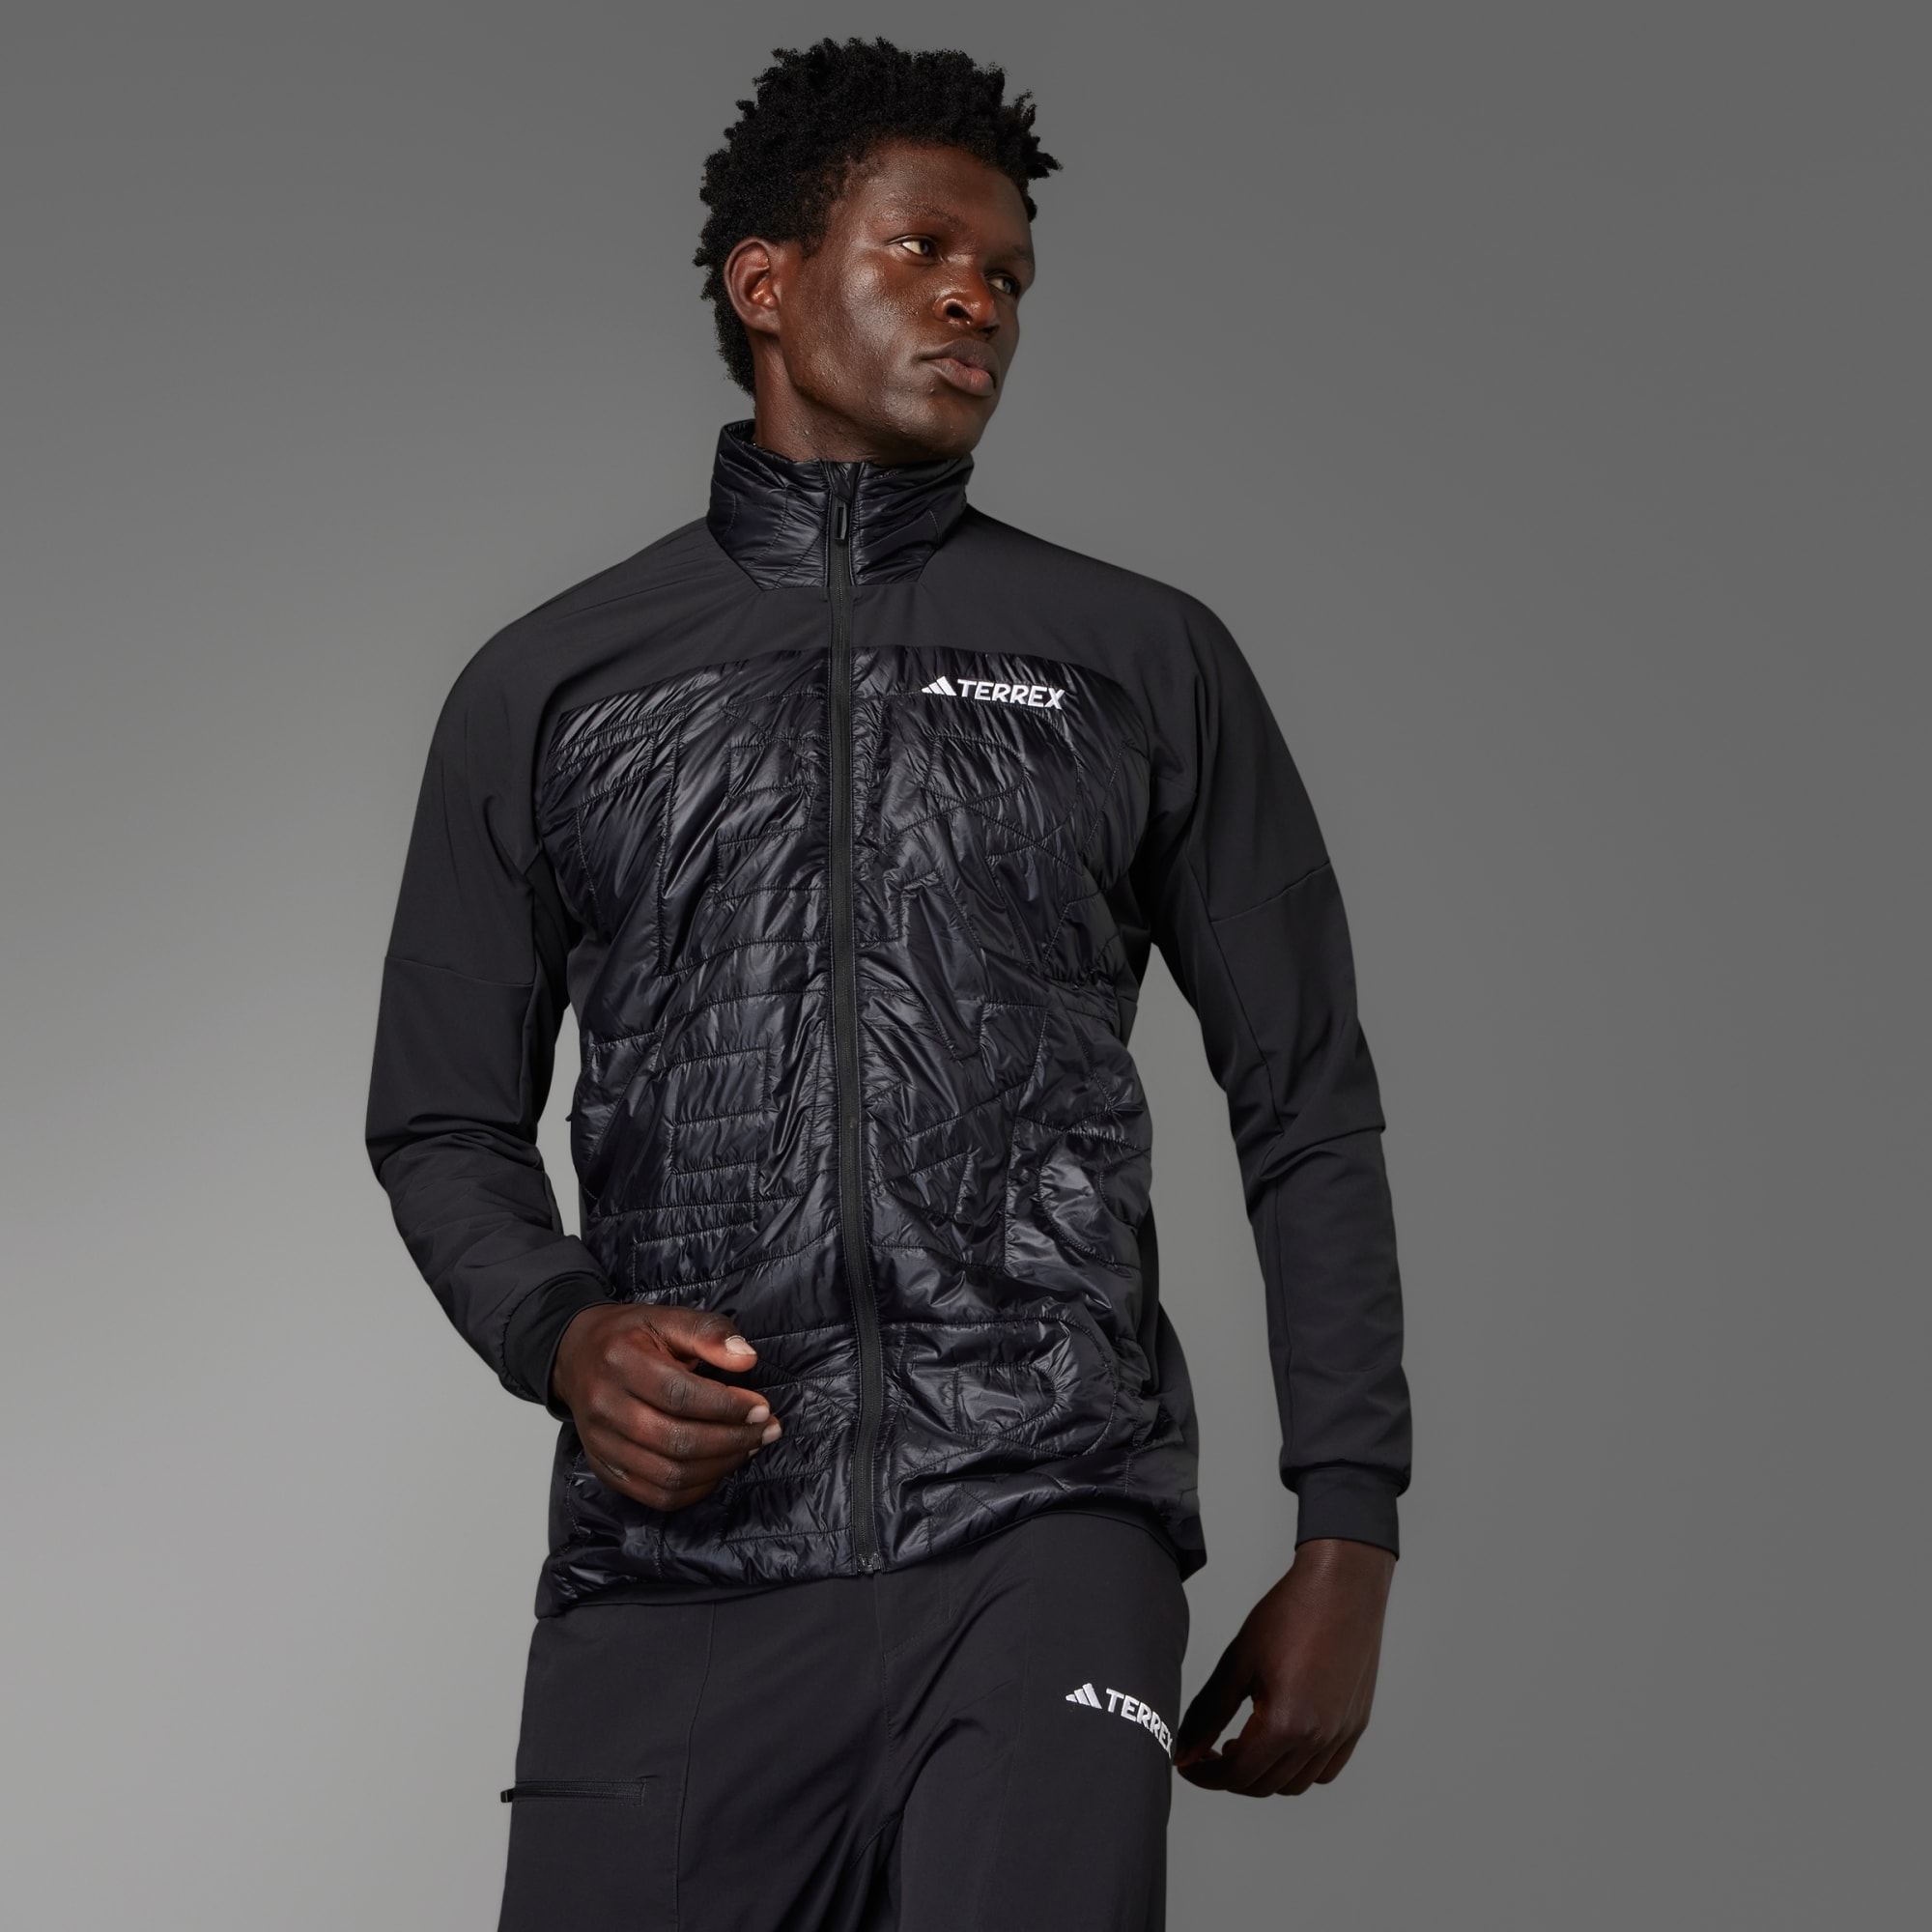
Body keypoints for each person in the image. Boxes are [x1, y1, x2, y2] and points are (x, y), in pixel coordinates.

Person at [364, 36, 1410, 1931]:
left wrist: (1350, 1523)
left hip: (1044, 1520)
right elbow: (440, 1118)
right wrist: (565, 1337)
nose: (974, 299)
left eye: (1006, 274)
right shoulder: (552, 685)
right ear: (766, 284)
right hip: (675, 1564)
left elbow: (1307, 1104)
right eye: (923, 249)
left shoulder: (1139, 659)